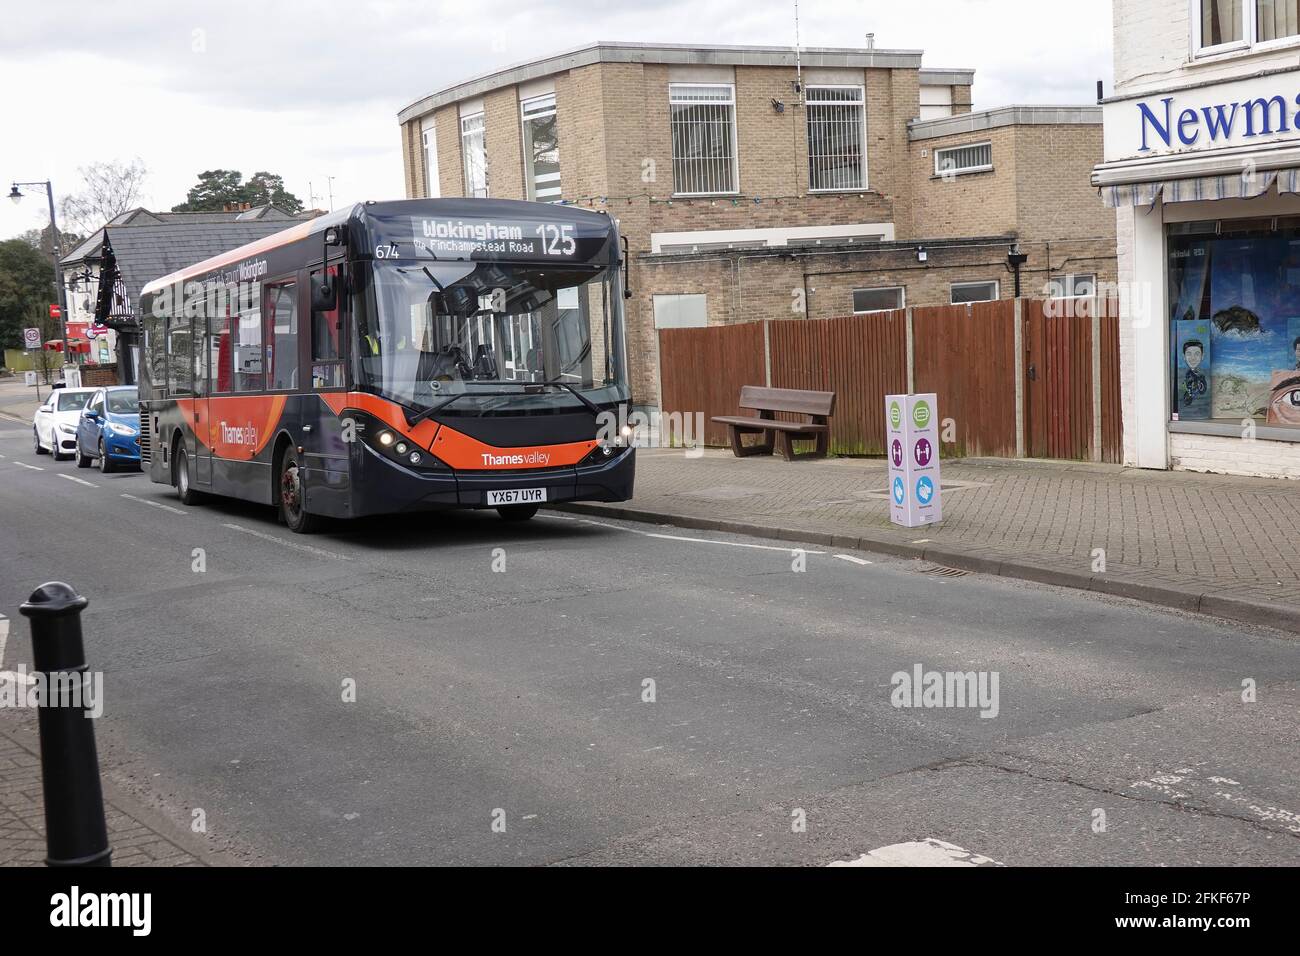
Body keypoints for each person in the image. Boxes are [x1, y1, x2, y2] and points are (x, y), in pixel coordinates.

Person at [1181, 339, 1208, 408]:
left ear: (1202, 356)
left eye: (1197, 354)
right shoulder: (1186, 374)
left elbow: (1202, 390)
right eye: (1189, 354)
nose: (1193, 358)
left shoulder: (1202, 376)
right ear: (1184, 356)